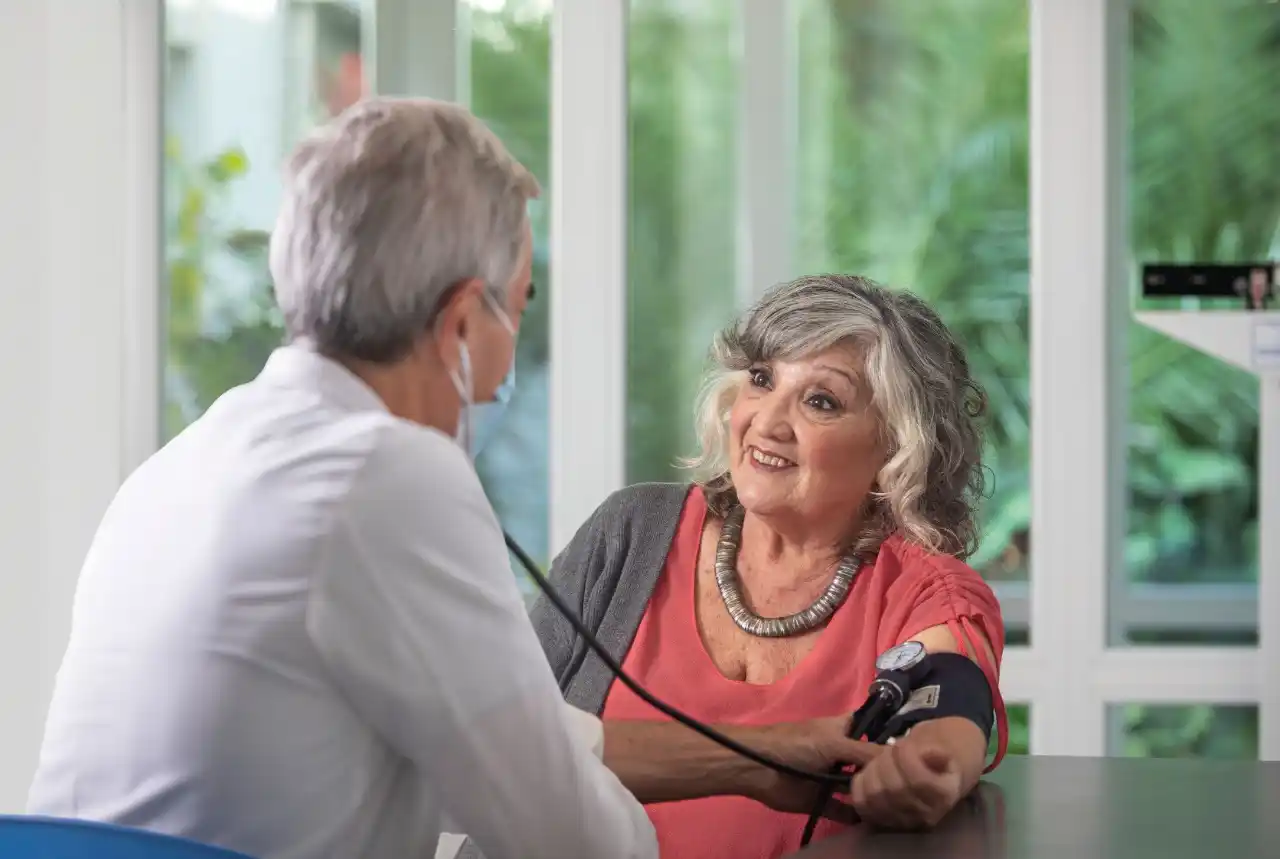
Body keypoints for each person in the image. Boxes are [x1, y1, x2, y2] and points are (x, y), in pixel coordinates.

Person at [25, 99, 877, 859]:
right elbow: (560, 831)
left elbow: (528, 737)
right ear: (464, 319)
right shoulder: (386, 474)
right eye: (524, 299)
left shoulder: (194, 457)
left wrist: (761, 761)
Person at [463, 274, 1008, 859]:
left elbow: (949, 702)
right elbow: (495, 744)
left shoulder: (924, 589)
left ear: (898, 447)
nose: (766, 422)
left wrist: (932, 765)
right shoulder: (631, 532)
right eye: (761, 380)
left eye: (820, 401)